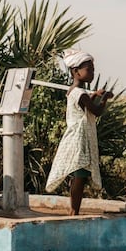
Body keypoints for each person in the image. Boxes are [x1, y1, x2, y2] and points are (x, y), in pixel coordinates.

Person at [45, 49, 113, 215]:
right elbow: (96, 111)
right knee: (80, 175)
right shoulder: (80, 94)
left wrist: (95, 94)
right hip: (79, 138)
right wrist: (104, 98)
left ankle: (74, 209)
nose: (92, 73)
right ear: (76, 71)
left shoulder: (74, 91)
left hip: (78, 136)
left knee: (79, 173)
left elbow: (85, 102)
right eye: (89, 70)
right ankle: (74, 210)